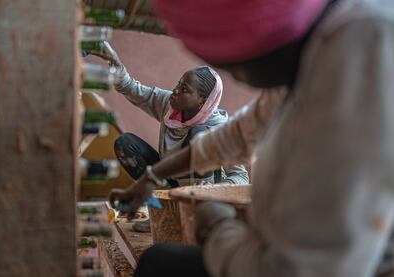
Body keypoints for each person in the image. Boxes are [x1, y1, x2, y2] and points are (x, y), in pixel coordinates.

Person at [109, 0, 394, 276]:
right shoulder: (311, 48)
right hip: (273, 246)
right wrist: (151, 176)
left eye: (235, 67)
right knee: (160, 260)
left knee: (161, 263)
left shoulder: (367, 64)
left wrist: (218, 229)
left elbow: (301, 269)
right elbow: (238, 135)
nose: (239, 78)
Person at [96, 42, 249, 232]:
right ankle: (165, 211)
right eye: (179, 84)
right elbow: (133, 89)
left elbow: (241, 176)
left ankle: (193, 213)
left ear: (202, 101)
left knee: (199, 135)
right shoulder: (170, 105)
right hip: (171, 180)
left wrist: (214, 191)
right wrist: (114, 61)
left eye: (185, 89)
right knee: (125, 144)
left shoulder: (219, 128)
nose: (176, 90)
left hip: (206, 194)